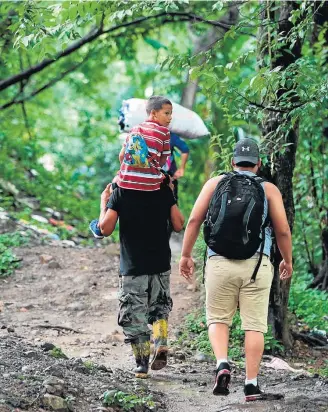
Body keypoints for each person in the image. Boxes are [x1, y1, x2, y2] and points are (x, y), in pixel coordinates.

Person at [179, 138, 293, 402]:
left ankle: (222, 363)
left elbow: (195, 219)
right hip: (257, 264)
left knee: (218, 318)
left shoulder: (216, 183)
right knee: (254, 325)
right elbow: (283, 230)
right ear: (258, 164)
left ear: (232, 162)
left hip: (219, 262)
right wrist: (287, 260)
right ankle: (251, 385)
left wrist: (185, 254)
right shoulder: (268, 189)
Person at [98, 177, 184, 379]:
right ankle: (161, 341)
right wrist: (170, 194)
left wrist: (104, 200)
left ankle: (142, 363)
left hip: (133, 266)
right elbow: (179, 224)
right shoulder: (161, 188)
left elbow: (105, 229)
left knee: (133, 315)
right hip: (160, 262)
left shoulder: (121, 190)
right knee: (159, 307)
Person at [89, 95, 172, 237]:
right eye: (167, 113)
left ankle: (100, 226)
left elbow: (122, 156)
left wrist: (125, 170)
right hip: (151, 186)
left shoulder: (134, 129)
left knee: (115, 183)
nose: (170, 118)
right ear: (153, 113)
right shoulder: (164, 132)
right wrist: (154, 168)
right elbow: (164, 159)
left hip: (127, 183)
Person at [163, 133, 190, 203]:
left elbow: (185, 149)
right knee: (172, 201)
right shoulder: (170, 135)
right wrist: (182, 169)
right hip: (170, 173)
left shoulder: (146, 134)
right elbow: (185, 149)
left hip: (158, 175)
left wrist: (181, 169)